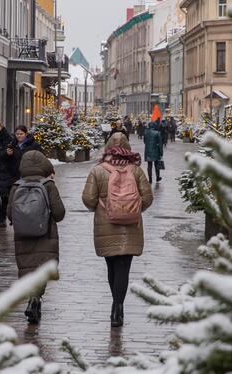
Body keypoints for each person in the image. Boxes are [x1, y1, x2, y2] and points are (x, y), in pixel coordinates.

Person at [81, 133, 153, 327]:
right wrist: (133, 209)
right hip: (131, 227)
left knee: (111, 266)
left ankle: (115, 304)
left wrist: (103, 207)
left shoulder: (99, 170)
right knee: (124, 268)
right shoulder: (136, 170)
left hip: (106, 225)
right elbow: (148, 198)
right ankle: (118, 307)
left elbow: (88, 199)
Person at [8, 150, 66, 324]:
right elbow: (59, 213)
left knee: (27, 269)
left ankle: (31, 298)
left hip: (23, 236)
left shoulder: (16, 186)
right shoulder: (48, 185)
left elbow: (10, 214)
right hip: (45, 235)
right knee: (42, 268)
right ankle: (36, 299)